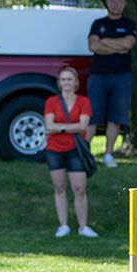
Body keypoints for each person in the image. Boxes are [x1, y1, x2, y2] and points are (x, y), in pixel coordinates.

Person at [44, 67, 98, 238]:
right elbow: (48, 126)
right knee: (59, 188)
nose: (66, 82)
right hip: (54, 150)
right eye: (63, 79)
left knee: (79, 188)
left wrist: (58, 128)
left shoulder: (84, 101)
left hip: (76, 150)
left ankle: (83, 227)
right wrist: (68, 128)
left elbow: (83, 126)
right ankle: (63, 225)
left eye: (69, 79)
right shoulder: (51, 101)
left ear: (76, 83)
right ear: (59, 83)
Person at [86, 0, 137, 168]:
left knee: (115, 116)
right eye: (113, 0)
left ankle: (108, 154)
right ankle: (86, 152)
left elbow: (128, 44)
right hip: (98, 75)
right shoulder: (98, 23)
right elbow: (93, 46)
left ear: (125, 4)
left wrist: (104, 41)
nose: (116, 4)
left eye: (120, 1)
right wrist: (118, 46)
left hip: (122, 76)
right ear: (107, 2)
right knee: (92, 114)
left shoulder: (129, 24)